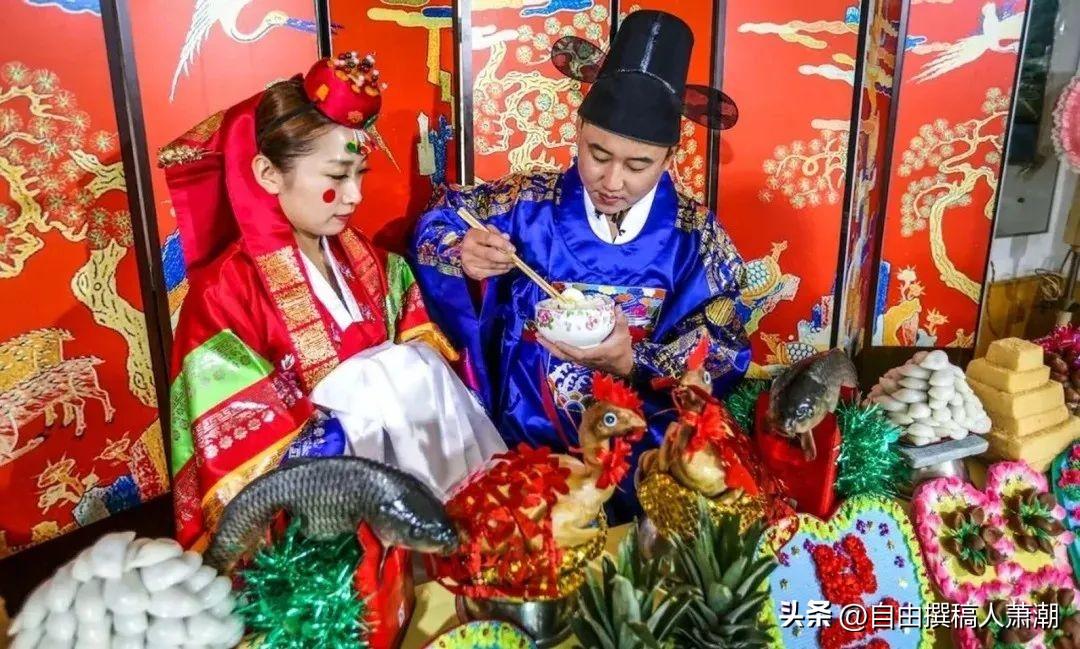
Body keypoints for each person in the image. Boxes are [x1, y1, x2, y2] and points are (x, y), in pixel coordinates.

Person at [411, 10, 750, 521]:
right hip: (525, 445)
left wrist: (632, 364)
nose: (613, 180)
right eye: (598, 154)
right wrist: (463, 252)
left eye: (638, 166)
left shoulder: (694, 237)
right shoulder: (525, 203)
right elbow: (439, 221)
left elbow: (721, 348)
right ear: (578, 128)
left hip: (642, 455)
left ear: (669, 157)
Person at [162, 53, 504, 550]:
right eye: (336, 177)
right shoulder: (222, 294)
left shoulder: (365, 257)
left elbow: (424, 344)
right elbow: (235, 439)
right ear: (267, 173)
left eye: (360, 174)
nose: (354, 195)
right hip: (321, 517)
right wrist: (360, 417)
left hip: (413, 493)